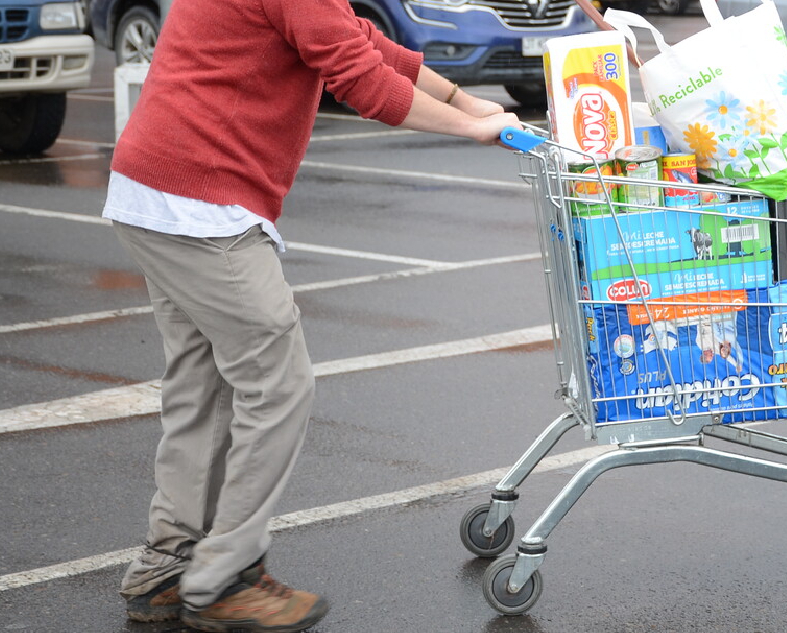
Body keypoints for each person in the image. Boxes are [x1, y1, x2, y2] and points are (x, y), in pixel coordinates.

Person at [104, 0, 521, 630]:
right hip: (201, 201)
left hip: (160, 190)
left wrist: (464, 101)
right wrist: (470, 127)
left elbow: (360, 38)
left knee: (203, 385)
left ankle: (169, 563)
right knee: (277, 384)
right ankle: (222, 580)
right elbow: (361, 78)